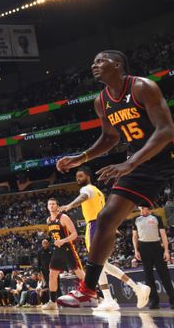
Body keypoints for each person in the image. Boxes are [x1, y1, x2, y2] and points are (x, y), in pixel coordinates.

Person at [57, 51, 174, 308]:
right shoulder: (102, 101)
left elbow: (166, 130)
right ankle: (88, 289)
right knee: (106, 218)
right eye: (94, 60)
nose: (93, 64)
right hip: (139, 163)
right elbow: (111, 138)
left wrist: (131, 162)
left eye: (100, 60)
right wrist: (82, 157)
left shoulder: (143, 87)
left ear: (117, 64)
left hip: (165, 155)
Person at [60, 166, 150, 310]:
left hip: (94, 226)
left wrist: (69, 206)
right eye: (76, 177)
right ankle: (114, 297)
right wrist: (113, 226)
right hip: (103, 224)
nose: (78, 179)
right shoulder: (98, 192)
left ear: (88, 177)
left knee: (97, 264)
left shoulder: (87, 189)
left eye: (81, 176)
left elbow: (83, 196)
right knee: (101, 265)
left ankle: (133, 289)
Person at [41, 198, 84, 310]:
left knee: (79, 273)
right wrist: (57, 242)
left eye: (53, 204)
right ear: (47, 206)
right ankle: (53, 302)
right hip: (58, 249)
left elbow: (75, 234)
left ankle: (98, 296)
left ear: (57, 205)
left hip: (68, 248)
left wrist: (63, 241)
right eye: (49, 204)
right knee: (52, 274)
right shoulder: (48, 220)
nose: (51, 206)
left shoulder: (63, 217)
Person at [133, 205, 174, 309]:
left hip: (156, 247)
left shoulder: (157, 218)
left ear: (148, 208)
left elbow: (163, 235)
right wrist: (136, 250)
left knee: (164, 275)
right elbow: (134, 236)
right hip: (143, 248)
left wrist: (166, 251)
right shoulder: (136, 220)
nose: (141, 210)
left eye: (143, 208)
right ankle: (154, 301)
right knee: (148, 277)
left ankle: (172, 300)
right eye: (140, 208)